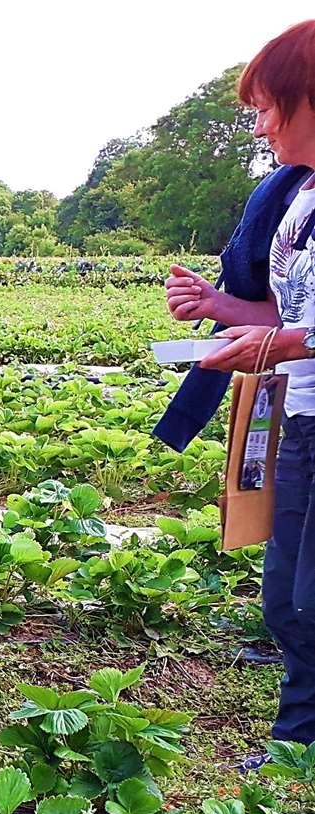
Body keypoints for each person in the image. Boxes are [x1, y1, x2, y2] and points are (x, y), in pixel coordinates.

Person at [163, 19, 315, 754]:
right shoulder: (297, 197)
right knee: (287, 597)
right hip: (302, 413)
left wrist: (279, 341)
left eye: (265, 107)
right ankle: (295, 746)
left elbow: (295, 331)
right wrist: (219, 309)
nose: (258, 128)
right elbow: (290, 315)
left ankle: (300, 743)